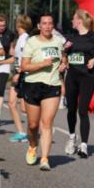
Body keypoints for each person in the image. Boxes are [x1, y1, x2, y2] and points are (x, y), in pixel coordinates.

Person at [63, 9, 94, 158]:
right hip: (72, 77)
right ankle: (72, 138)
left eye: (73, 18)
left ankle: (84, 145)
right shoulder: (70, 37)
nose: (72, 21)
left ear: (79, 20)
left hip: (88, 77)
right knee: (71, 109)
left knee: (83, 110)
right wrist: (64, 54)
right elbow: (64, 54)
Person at [20, 13, 66, 170]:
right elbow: (24, 66)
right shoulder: (31, 42)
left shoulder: (58, 41)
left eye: (50, 23)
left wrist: (63, 65)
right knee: (33, 125)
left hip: (52, 85)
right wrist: (42, 64)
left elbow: (63, 58)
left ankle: (45, 159)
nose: (47, 26)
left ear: (53, 26)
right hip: (33, 85)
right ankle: (33, 145)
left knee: (47, 123)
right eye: (44, 23)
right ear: (39, 26)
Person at [7, 15, 32, 142]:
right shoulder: (20, 39)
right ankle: (21, 132)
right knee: (11, 103)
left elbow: (25, 59)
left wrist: (19, 73)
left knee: (25, 108)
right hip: (18, 74)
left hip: (23, 75)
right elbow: (16, 58)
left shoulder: (24, 39)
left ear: (19, 24)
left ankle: (38, 127)